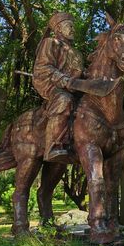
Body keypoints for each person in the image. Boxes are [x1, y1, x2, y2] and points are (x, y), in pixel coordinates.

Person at [33, 12, 84, 162]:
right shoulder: (50, 43)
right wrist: (63, 79)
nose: (73, 29)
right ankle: (53, 146)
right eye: (69, 26)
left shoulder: (78, 54)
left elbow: (79, 72)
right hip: (52, 84)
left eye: (73, 26)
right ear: (59, 29)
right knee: (64, 99)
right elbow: (43, 67)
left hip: (75, 87)